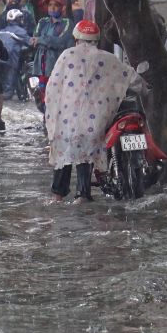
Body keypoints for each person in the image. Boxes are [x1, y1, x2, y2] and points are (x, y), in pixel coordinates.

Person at [44, 20, 145, 203]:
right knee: (87, 155)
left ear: (76, 38)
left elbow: (53, 86)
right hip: (94, 121)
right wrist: (147, 89)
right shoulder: (107, 58)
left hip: (68, 121)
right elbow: (130, 77)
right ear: (96, 39)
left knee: (63, 153)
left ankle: (57, 195)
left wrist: (52, 114)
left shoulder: (67, 56)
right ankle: (82, 194)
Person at [32, 0, 74, 85]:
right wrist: (51, 42)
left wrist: (41, 40)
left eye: (56, 5)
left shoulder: (67, 23)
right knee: (43, 92)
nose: (52, 8)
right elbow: (34, 40)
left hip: (59, 63)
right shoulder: (42, 22)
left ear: (62, 7)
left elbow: (61, 42)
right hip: (41, 64)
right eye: (50, 5)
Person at [0, 9, 33, 99]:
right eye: (21, 18)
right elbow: (31, 43)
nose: (22, 20)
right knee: (8, 92)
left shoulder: (2, 31)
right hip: (10, 59)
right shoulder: (19, 31)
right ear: (17, 20)